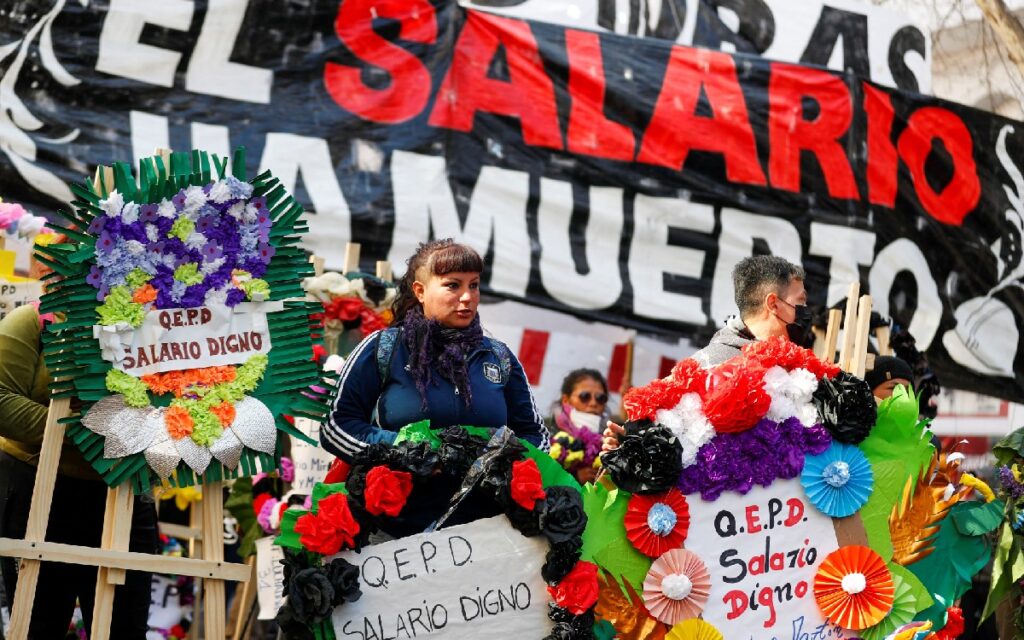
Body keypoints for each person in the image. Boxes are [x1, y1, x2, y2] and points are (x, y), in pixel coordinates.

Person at [320, 239, 549, 534]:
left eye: (475, 285)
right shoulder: (383, 348)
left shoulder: (500, 357)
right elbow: (337, 427)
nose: (467, 297)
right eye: (453, 285)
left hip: (487, 539)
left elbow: (536, 436)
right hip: (391, 537)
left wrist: (505, 462)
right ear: (420, 291)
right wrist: (403, 451)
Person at [0, 304, 158, 638]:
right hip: (40, 491)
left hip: (126, 492)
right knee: (37, 624)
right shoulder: (34, 322)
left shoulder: (162, 322)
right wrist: (82, 430)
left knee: (124, 628)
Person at [603, 255, 812, 452]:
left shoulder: (803, 370)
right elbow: (662, 446)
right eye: (800, 302)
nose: (807, 311)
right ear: (773, 304)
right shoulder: (706, 367)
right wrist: (629, 448)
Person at [550, 369, 608, 484]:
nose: (593, 403)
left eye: (600, 398)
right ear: (566, 400)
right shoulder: (548, 438)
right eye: (585, 396)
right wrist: (575, 477)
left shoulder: (612, 440)